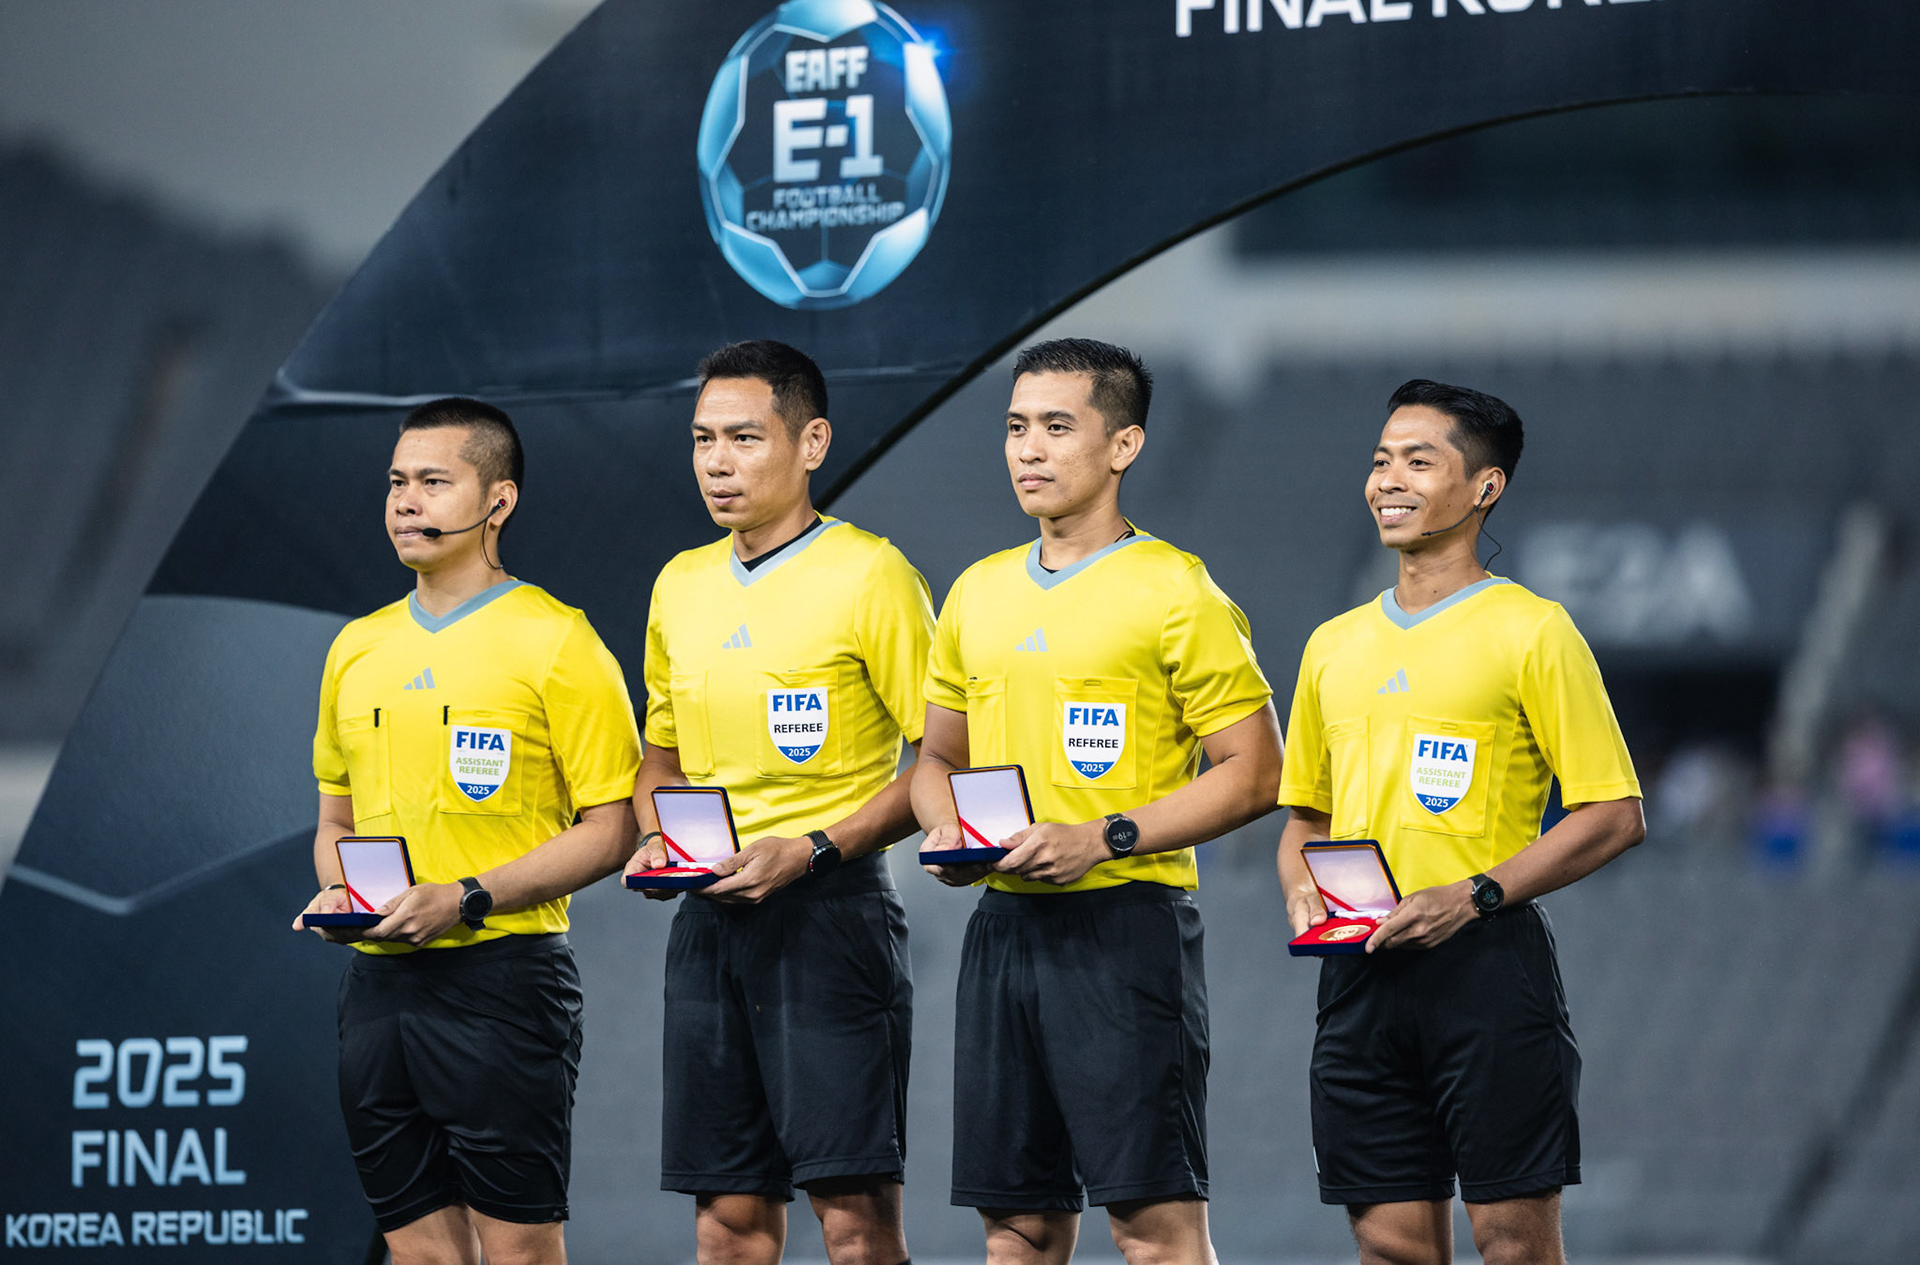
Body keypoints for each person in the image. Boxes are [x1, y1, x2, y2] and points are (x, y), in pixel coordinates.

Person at [914, 338, 1283, 1265]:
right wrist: (947, 828)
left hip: (1126, 928)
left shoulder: (1176, 590)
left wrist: (1105, 837)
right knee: (1018, 1230)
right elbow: (936, 757)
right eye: (1014, 427)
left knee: (1153, 1231)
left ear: (1123, 446)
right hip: (1003, 930)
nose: (1028, 450)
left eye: (1056, 427)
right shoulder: (976, 591)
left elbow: (1255, 770)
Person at [1276, 379, 1645, 1265]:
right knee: (1391, 1250)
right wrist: (1302, 889)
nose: (1388, 479)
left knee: (1513, 1245)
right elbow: (1304, 816)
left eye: (1418, 460)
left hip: (1485, 967)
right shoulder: (1333, 644)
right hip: (1358, 975)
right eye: (1379, 460)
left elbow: (1615, 812)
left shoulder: (1533, 630)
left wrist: (1472, 896)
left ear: (1485, 489)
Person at [291, 398, 642, 1265]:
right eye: (397, 483)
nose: (406, 502)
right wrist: (342, 884)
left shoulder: (558, 641)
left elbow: (617, 827)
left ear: (499, 500)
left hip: (503, 981)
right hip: (377, 987)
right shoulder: (356, 647)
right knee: (417, 1252)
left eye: (434, 482)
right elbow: (334, 818)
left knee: (519, 1247)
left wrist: (467, 898)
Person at [625, 340, 932, 1265]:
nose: (718, 461)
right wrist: (657, 835)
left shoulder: (873, 575)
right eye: (703, 439)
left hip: (831, 916)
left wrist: (818, 850)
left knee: (854, 1219)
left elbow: (944, 764)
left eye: (746, 438)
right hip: (709, 922)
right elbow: (657, 760)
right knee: (725, 1223)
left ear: (812, 442)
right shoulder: (679, 584)